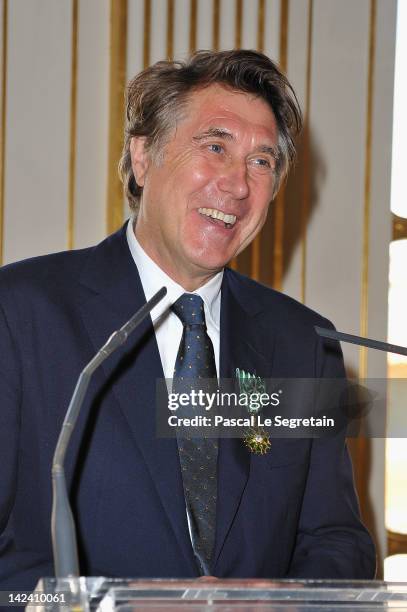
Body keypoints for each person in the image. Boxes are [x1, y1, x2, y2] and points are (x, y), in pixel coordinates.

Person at [0, 49, 375, 590]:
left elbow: (337, 541)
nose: (238, 184)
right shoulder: (21, 314)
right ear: (144, 154)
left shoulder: (301, 345)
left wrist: (281, 602)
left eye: (262, 161)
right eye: (216, 146)